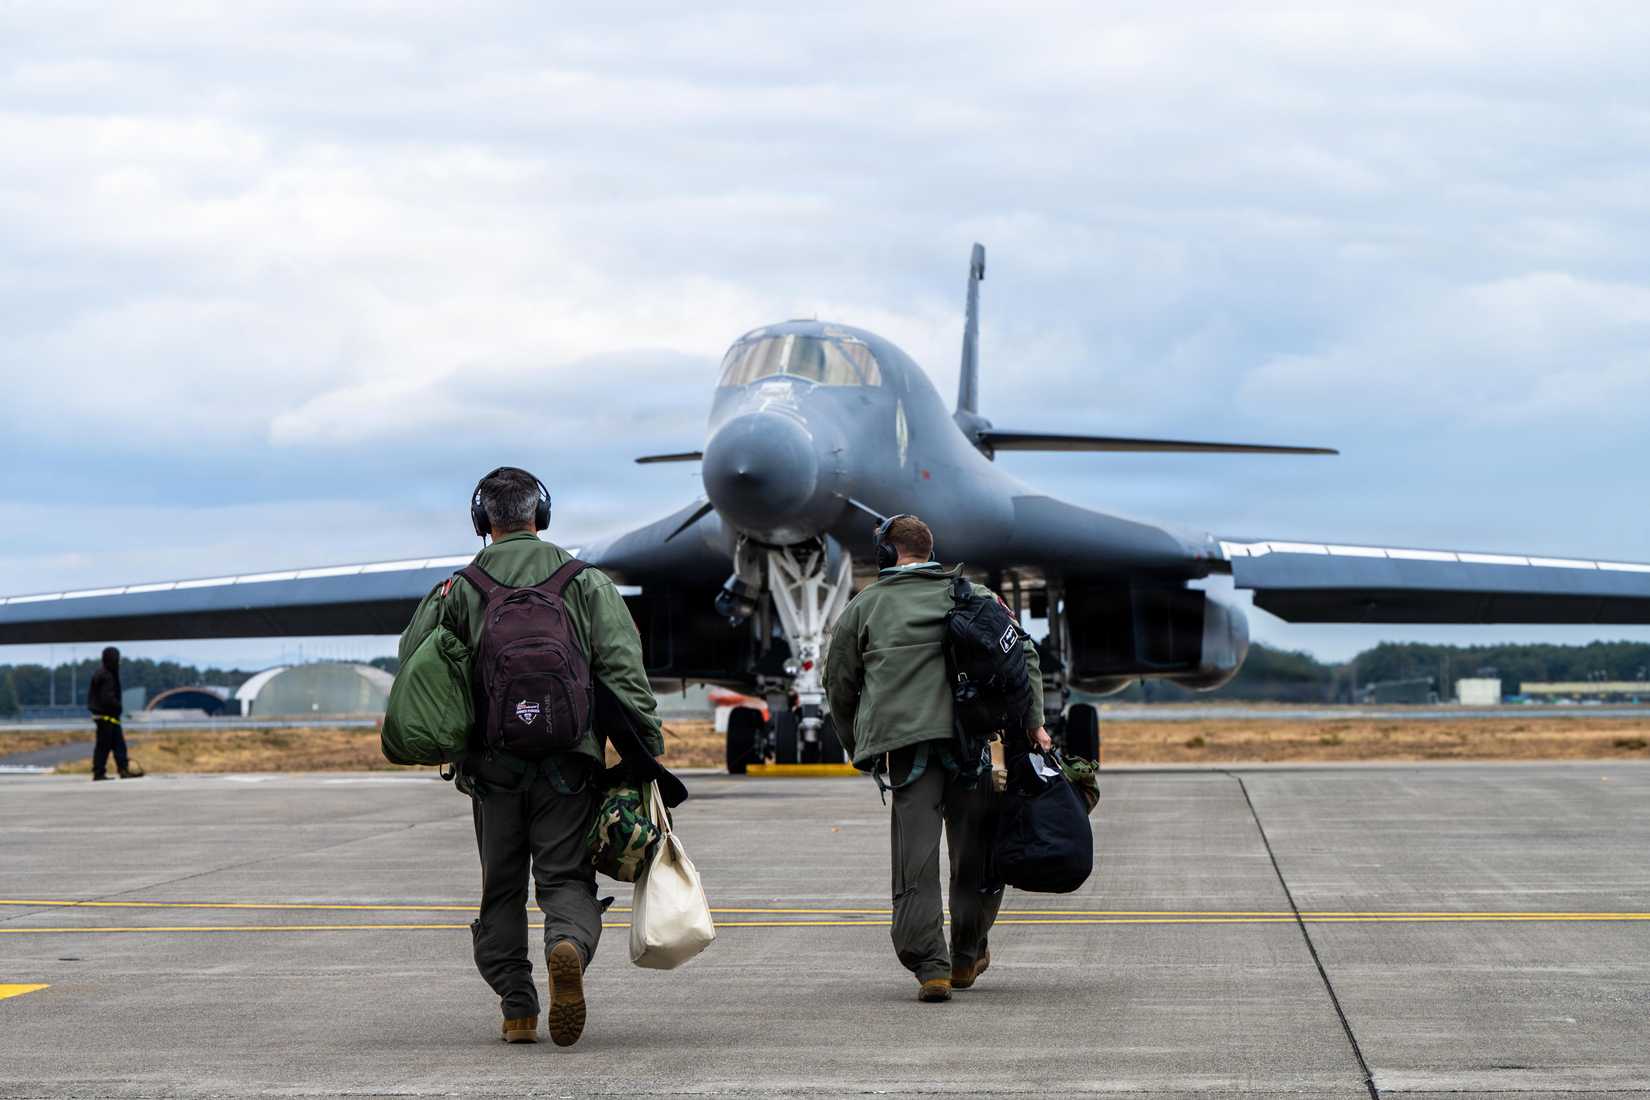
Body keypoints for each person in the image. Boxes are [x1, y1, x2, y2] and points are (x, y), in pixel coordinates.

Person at [398, 466, 663, 1047]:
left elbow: (412, 661)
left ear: (481, 520)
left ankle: (517, 1006)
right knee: (565, 877)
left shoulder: (457, 588)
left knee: (502, 886)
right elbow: (625, 671)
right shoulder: (586, 582)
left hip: (492, 770)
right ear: (539, 516)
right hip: (571, 765)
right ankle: (566, 944)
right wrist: (648, 755)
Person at [824, 514, 1048, 1003]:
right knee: (976, 858)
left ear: (887, 554)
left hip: (909, 755)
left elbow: (838, 683)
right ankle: (967, 955)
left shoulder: (866, 607)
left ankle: (932, 967)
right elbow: (1025, 656)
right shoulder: (976, 597)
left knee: (915, 863)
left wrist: (856, 744)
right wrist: (1034, 725)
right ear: (930, 551)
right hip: (975, 750)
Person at [86, 646, 142, 781]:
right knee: (105, 746)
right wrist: (118, 706)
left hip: (107, 717)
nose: (118, 663)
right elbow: (107, 698)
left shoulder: (101, 673)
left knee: (118, 745)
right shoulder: (107, 676)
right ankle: (100, 772)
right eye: (118, 660)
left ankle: (122, 769)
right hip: (107, 717)